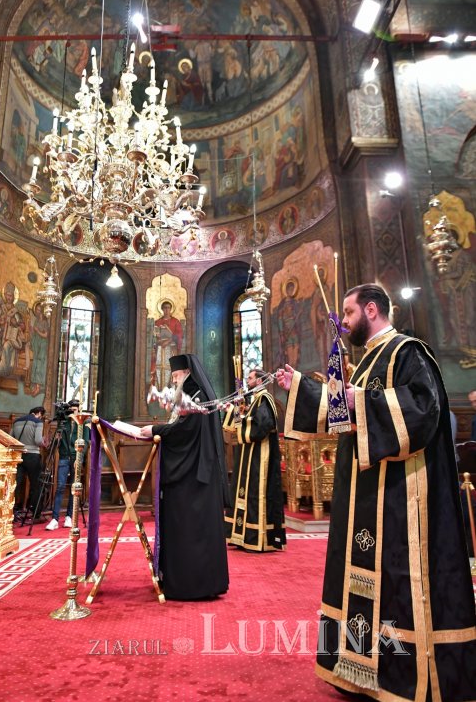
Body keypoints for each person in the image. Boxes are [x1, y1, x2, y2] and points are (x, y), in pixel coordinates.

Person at [276, 283, 476, 702]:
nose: (343, 322)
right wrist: (298, 386)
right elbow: (339, 415)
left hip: (400, 499)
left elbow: (424, 409)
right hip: (363, 497)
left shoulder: (407, 352)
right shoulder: (367, 364)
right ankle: (359, 669)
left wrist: (361, 400)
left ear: (371, 309)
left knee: (397, 583)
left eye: (347, 314)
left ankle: (399, 674)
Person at [140, 354, 230, 600]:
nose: (173, 381)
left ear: (186, 373)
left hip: (193, 479)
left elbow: (186, 431)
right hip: (197, 473)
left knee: (193, 531)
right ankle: (195, 580)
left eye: (175, 376)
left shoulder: (196, 396)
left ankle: (192, 585)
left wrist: (156, 430)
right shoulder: (192, 394)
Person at [224, 367, 286, 552]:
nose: (248, 381)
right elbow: (238, 424)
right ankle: (242, 536)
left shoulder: (264, 399)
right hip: (250, 456)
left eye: (250, 378)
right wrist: (234, 410)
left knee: (255, 496)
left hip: (260, 458)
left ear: (259, 381)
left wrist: (243, 421)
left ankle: (256, 537)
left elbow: (262, 425)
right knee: (245, 493)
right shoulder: (256, 400)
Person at [45, 400, 90, 531]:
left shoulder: (83, 423)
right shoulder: (63, 423)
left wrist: (79, 457)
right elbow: (57, 441)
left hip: (76, 457)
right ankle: (55, 518)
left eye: (75, 410)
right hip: (64, 457)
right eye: (70, 410)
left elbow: (85, 443)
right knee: (59, 486)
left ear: (78, 410)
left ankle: (69, 516)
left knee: (73, 488)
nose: (72, 412)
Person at [11, 406, 46, 519]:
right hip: (32, 456)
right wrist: (44, 442)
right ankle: (36, 513)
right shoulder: (38, 422)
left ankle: (12, 511)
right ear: (39, 413)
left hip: (18, 455)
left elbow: (10, 438)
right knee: (36, 484)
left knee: (15, 484)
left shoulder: (16, 421)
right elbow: (37, 440)